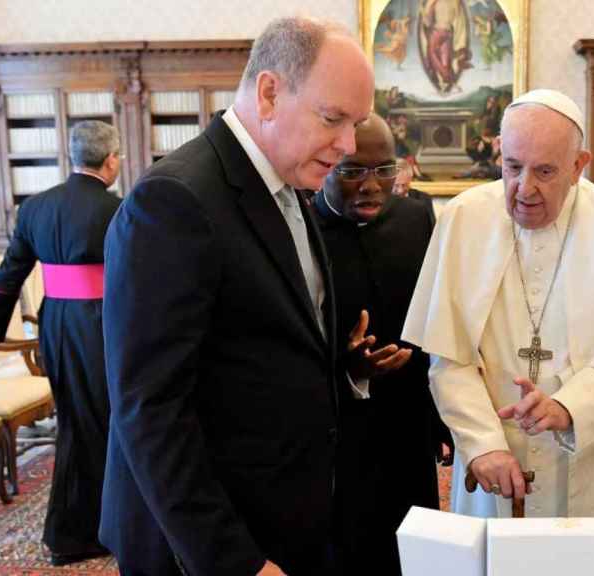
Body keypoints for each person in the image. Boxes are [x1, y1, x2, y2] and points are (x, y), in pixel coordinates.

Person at [101, 18, 407, 576]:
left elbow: (256, 351)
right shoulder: (175, 201)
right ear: (269, 92)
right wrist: (233, 562)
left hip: (287, 518)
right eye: (333, 119)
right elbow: (150, 410)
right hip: (207, 545)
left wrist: (342, 367)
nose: (346, 145)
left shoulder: (289, 186)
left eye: (355, 123)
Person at [402, 89, 594, 518]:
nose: (525, 189)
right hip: (497, 459)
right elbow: (448, 359)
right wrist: (482, 444)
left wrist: (568, 407)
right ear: (499, 153)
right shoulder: (463, 220)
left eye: (544, 171)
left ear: (579, 166)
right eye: (513, 167)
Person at [0, 120, 121, 566]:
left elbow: (6, 281)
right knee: (108, 424)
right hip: (103, 323)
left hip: (56, 326)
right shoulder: (121, 208)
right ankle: (89, 530)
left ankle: (73, 530)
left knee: (76, 422)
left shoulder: (35, 208)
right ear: (111, 160)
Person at [312, 113, 453, 576]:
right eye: (353, 172)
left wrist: (440, 420)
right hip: (336, 417)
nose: (371, 185)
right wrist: (350, 367)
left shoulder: (417, 217)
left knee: (413, 538)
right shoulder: (303, 228)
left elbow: (434, 319)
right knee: (348, 542)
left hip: (407, 412)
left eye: (384, 170)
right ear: (327, 166)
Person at [419, 0, 472, 93]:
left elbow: (427, 22)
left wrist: (423, 11)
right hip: (448, 33)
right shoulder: (455, 3)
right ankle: (447, 83)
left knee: (432, 55)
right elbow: (456, 19)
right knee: (445, 62)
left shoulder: (435, 2)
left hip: (437, 32)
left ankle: (448, 81)